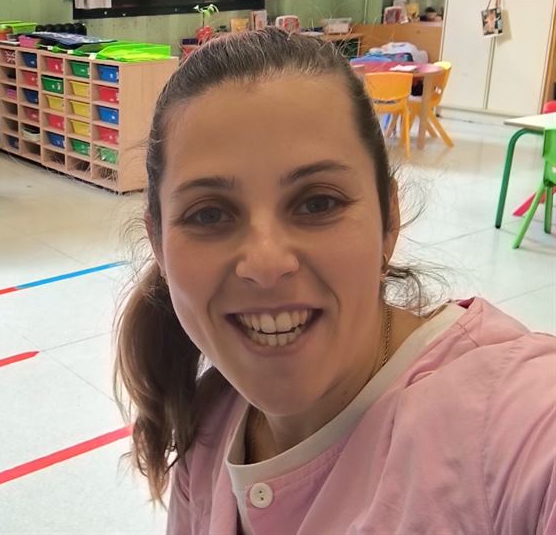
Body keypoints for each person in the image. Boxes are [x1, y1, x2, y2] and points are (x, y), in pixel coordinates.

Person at [114, 28, 555, 534]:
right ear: (158, 243)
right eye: (209, 214)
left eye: (317, 203)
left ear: (388, 221)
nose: (266, 263)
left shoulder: (509, 422)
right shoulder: (208, 427)